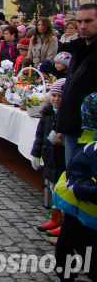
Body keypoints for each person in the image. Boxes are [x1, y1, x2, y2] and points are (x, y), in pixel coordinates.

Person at [52, 93, 97, 279]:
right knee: (72, 244)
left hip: (80, 204)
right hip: (81, 205)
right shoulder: (90, 143)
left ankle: (66, 273)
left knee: (71, 244)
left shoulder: (89, 142)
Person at [55, 5, 97, 168]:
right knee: (73, 179)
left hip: (90, 132)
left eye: (88, 21)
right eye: (79, 21)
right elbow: (71, 88)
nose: (83, 26)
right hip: (72, 127)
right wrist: (61, 123)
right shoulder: (79, 49)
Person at [31, 79, 67, 238]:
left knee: (64, 190)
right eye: (54, 95)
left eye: (60, 96)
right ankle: (55, 217)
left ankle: (65, 221)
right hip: (50, 156)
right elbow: (39, 136)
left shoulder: (67, 115)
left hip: (63, 158)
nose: (56, 99)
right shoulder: (46, 113)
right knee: (54, 188)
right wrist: (36, 153)